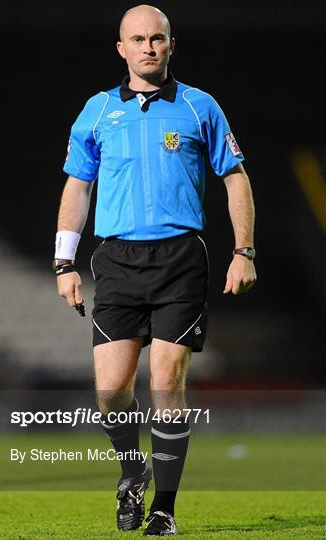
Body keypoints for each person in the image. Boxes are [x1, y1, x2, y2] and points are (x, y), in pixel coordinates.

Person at [54, 4, 256, 536]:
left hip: (180, 261)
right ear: (121, 49)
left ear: (171, 44)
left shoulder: (199, 107)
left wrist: (245, 250)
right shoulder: (96, 112)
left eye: (157, 38)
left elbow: (235, 177)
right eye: (138, 39)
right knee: (111, 395)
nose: (148, 46)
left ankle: (163, 509)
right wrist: (63, 261)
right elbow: (78, 186)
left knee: (167, 384)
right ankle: (132, 469)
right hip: (117, 262)